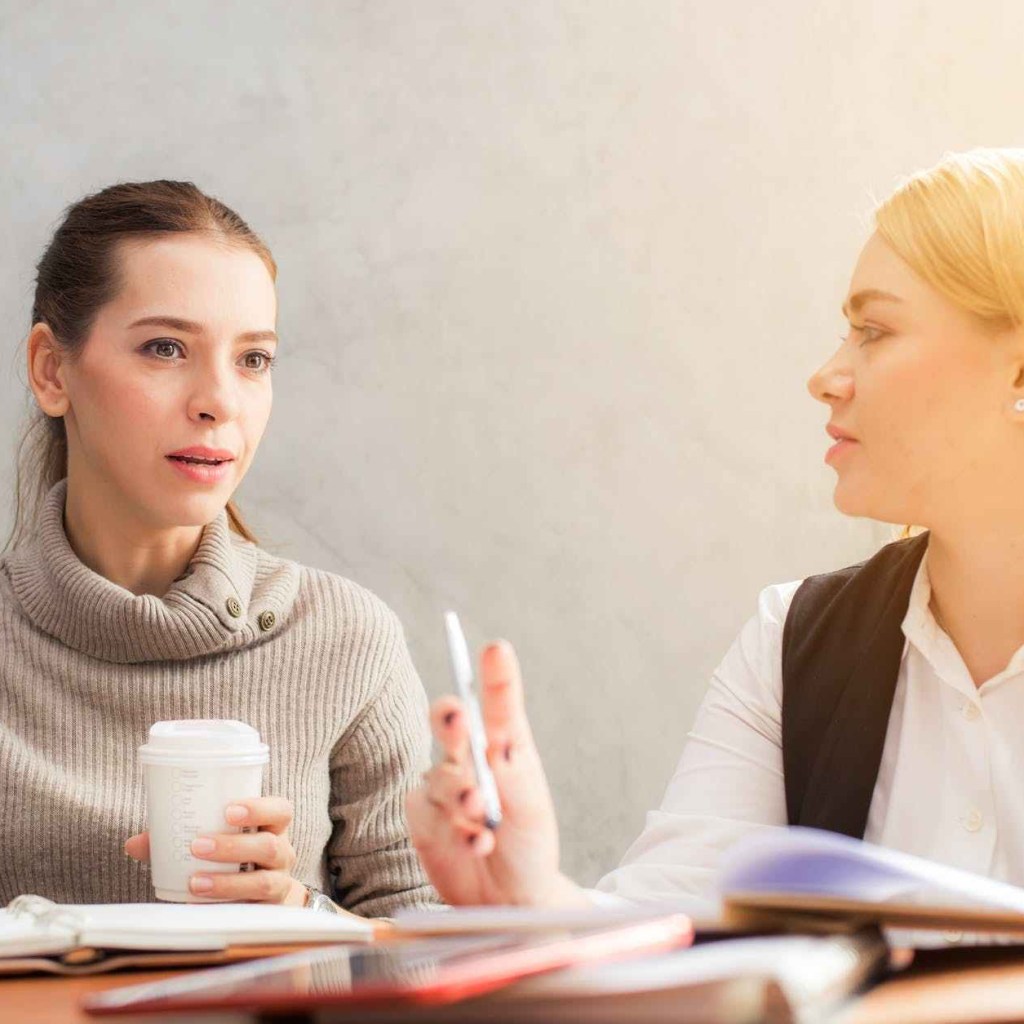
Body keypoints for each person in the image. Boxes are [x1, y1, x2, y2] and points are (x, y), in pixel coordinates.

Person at [407, 147, 1024, 920]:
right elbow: (672, 922)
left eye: (874, 330)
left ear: (1019, 372)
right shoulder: (792, 641)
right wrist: (531, 898)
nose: (826, 375)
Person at [0, 180, 434, 915]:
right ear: (52, 370)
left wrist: (298, 921)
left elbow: (433, 961)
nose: (219, 401)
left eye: (253, 360)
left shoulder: (347, 641)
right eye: (165, 348)